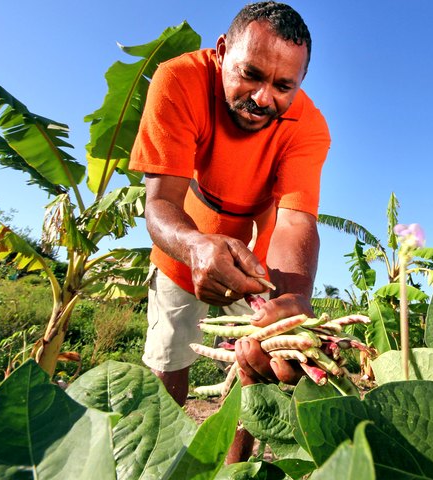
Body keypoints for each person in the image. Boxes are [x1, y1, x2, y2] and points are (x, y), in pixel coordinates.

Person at [129, 1, 330, 408]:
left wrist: (291, 303)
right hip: (181, 247)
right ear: (221, 52)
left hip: (258, 264)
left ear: (301, 82)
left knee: (255, 375)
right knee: (167, 371)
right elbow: (161, 202)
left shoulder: (309, 127)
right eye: (250, 75)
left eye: (283, 86)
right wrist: (193, 246)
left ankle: (239, 471)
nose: (262, 98)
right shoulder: (178, 79)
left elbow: (294, 222)